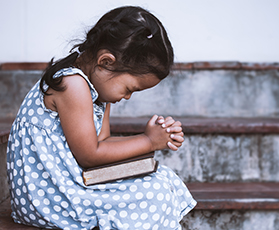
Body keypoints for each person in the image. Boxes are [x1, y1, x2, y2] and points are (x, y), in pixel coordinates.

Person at [6, 5, 196, 230]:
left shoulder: (97, 89)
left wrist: (154, 138)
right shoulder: (72, 85)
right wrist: (147, 141)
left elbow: (102, 142)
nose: (126, 97)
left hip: (69, 185)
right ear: (106, 62)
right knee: (154, 193)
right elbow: (90, 155)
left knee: (162, 180)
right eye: (129, 88)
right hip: (48, 197)